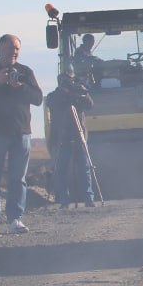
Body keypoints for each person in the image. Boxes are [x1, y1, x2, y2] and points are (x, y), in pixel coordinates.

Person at [0, 34, 44, 234]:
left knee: (17, 178)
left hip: (20, 133)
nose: (14, 53)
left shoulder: (24, 72)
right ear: (0, 49)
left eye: (17, 49)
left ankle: (15, 218)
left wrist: (20, 87)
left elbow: (38, 98)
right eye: (10, 49)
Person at [45, 69, 96, 208]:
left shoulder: (79, 93)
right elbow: (52, 103)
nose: (68, 83)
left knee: (84, 168)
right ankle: (63, 199)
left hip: (79, 136)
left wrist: (81, 92)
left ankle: (88, 198)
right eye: (65, 80)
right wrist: (66, 94)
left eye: (70, 80)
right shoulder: (54, 96)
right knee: (61, 169)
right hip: (62, 137)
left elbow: (90, 105)